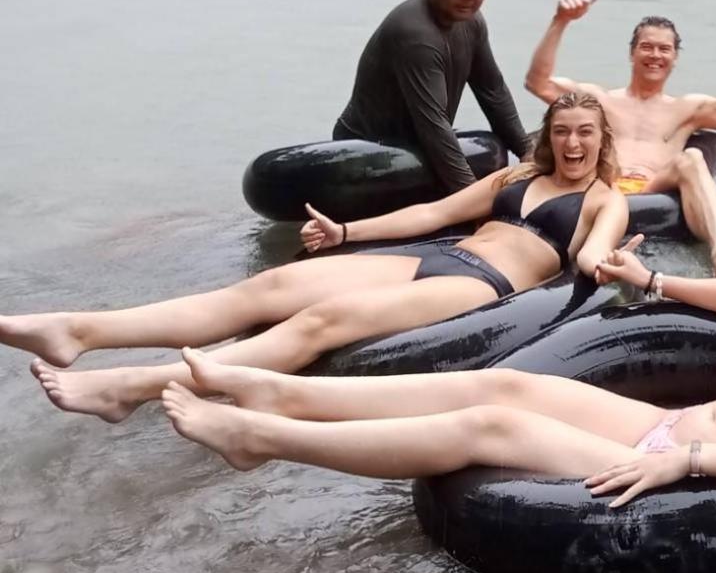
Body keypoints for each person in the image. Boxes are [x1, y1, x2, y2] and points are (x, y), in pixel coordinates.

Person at [158, 204, 716, 507]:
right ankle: (272, 389)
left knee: (486, 427)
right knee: (503, 381)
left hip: (689, 475)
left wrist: (683, 464)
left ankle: (262, 439)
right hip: (680, 425)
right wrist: (652, 278)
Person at [2, 93, 628, 423]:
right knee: (268, 290)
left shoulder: (603, 201)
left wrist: (613, 265)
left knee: (317, 324)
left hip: (484, 284)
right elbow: (433, 214)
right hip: (436, 254)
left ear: (601, 142)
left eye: (585, 133)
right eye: (563, 131)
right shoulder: (515, 175)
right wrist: (347, 231)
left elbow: (594, 256)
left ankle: (128, 389)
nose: (572, 142)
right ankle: (78, 329)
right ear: (550, 136)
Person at [525, 0, 716, 280]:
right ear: (632, 53)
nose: (655, 55)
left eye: (664, 49)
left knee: (692, 158)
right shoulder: (599, 101)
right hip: (602, 186)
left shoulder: (686, 108)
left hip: (652, 187)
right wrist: (561, 21)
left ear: (674, 57)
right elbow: (538, 83)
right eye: (646, 47)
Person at [335, 0, 528, 193]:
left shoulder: (472, 23)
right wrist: (471, 202)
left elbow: (493, 91)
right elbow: (433, 123)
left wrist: (531, 155)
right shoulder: (414, 31)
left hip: (418, 143)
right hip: (368, 148)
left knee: (493, 151)